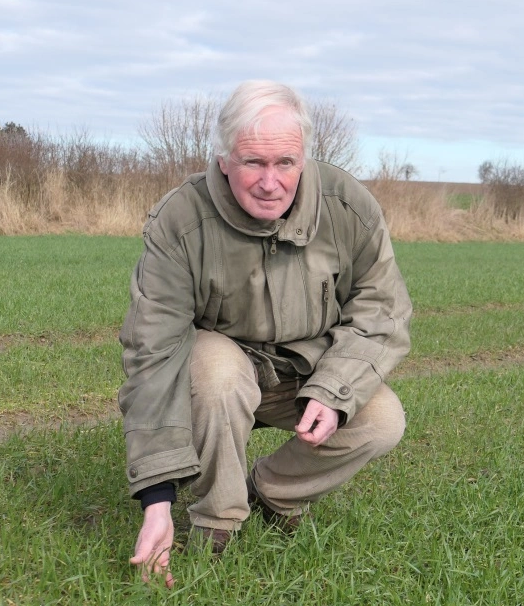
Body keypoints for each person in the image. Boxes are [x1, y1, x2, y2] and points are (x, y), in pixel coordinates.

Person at [117, 80, 412, 586]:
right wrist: (157, 500)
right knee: (216, 370)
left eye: (286, 163)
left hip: (306, 371)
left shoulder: (348, 208)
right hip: (218, 375)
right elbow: (154, 352)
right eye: (253, 162)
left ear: (305, 158)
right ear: (224, 158)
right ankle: (216, 527)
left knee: (382, 418)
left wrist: (334, 390)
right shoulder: (179, 220)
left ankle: (274, 491)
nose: (270, 182)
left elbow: (381, 309)